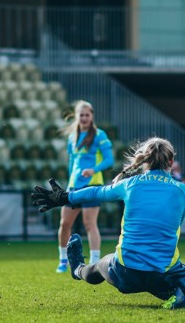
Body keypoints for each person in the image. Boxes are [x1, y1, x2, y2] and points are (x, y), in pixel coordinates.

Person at [32, 137, 185, 310]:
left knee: (99, 266)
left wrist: (65, 197)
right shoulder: (182, 190)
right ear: (171, 162)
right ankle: (181, 299)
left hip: (125, 274)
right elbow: (176, 224)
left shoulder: (129, 184)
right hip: (163, 276)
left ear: (144, 162)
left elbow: (96, 192)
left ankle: (78, 269)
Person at [55, 100, 114, 272]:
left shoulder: (100, 135)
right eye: (81, 114)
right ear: (77, 116)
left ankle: (94, 262)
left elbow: (109, 160)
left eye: (87, 114)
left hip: (93, 185)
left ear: (92, 116)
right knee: (65, 223)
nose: (84, 117)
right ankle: (63, 260)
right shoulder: (72, 137)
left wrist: (93, 170)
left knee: (90, 224)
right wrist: (69, 182)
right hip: (74, 187)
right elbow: (72, 162)